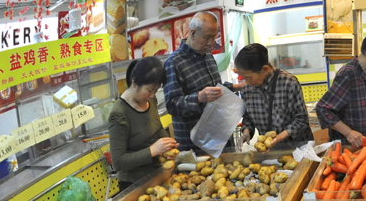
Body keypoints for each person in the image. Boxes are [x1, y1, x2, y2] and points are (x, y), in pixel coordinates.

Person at [164, 11, 243, 152]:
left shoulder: (207, 55)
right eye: (207, 38)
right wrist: (199, 97)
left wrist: (237, 87)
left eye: (214, 38)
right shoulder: (174, 62)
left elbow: (215, 89)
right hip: (196, 145)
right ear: (192, 33)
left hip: (219, 135)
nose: (211, 43)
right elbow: (172, 105)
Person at [316, 31, 366, 147]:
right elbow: (323, 109)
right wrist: (348, 132)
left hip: (365, 146)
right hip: (347, 148)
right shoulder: (349, 74)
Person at [109, 57, 178, 190]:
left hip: (157, 176)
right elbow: (117, 162)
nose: (152, 95)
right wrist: (153, 150)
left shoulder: (150, 100)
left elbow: (157, 128)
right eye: (149, 90)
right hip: (134, 185)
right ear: (135, 83)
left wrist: (168, 146)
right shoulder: (119, 114)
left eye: (156, 90)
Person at [235, 43, 310, 145]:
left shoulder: (288, 83)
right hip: (270, 152)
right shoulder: (248, 88)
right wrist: (246, 131)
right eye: (243, 77)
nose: (246, 82)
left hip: (297, 147)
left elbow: (301, 120)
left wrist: (277, 139)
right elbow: (248, 117)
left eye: (249, 77)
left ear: (265, 70)